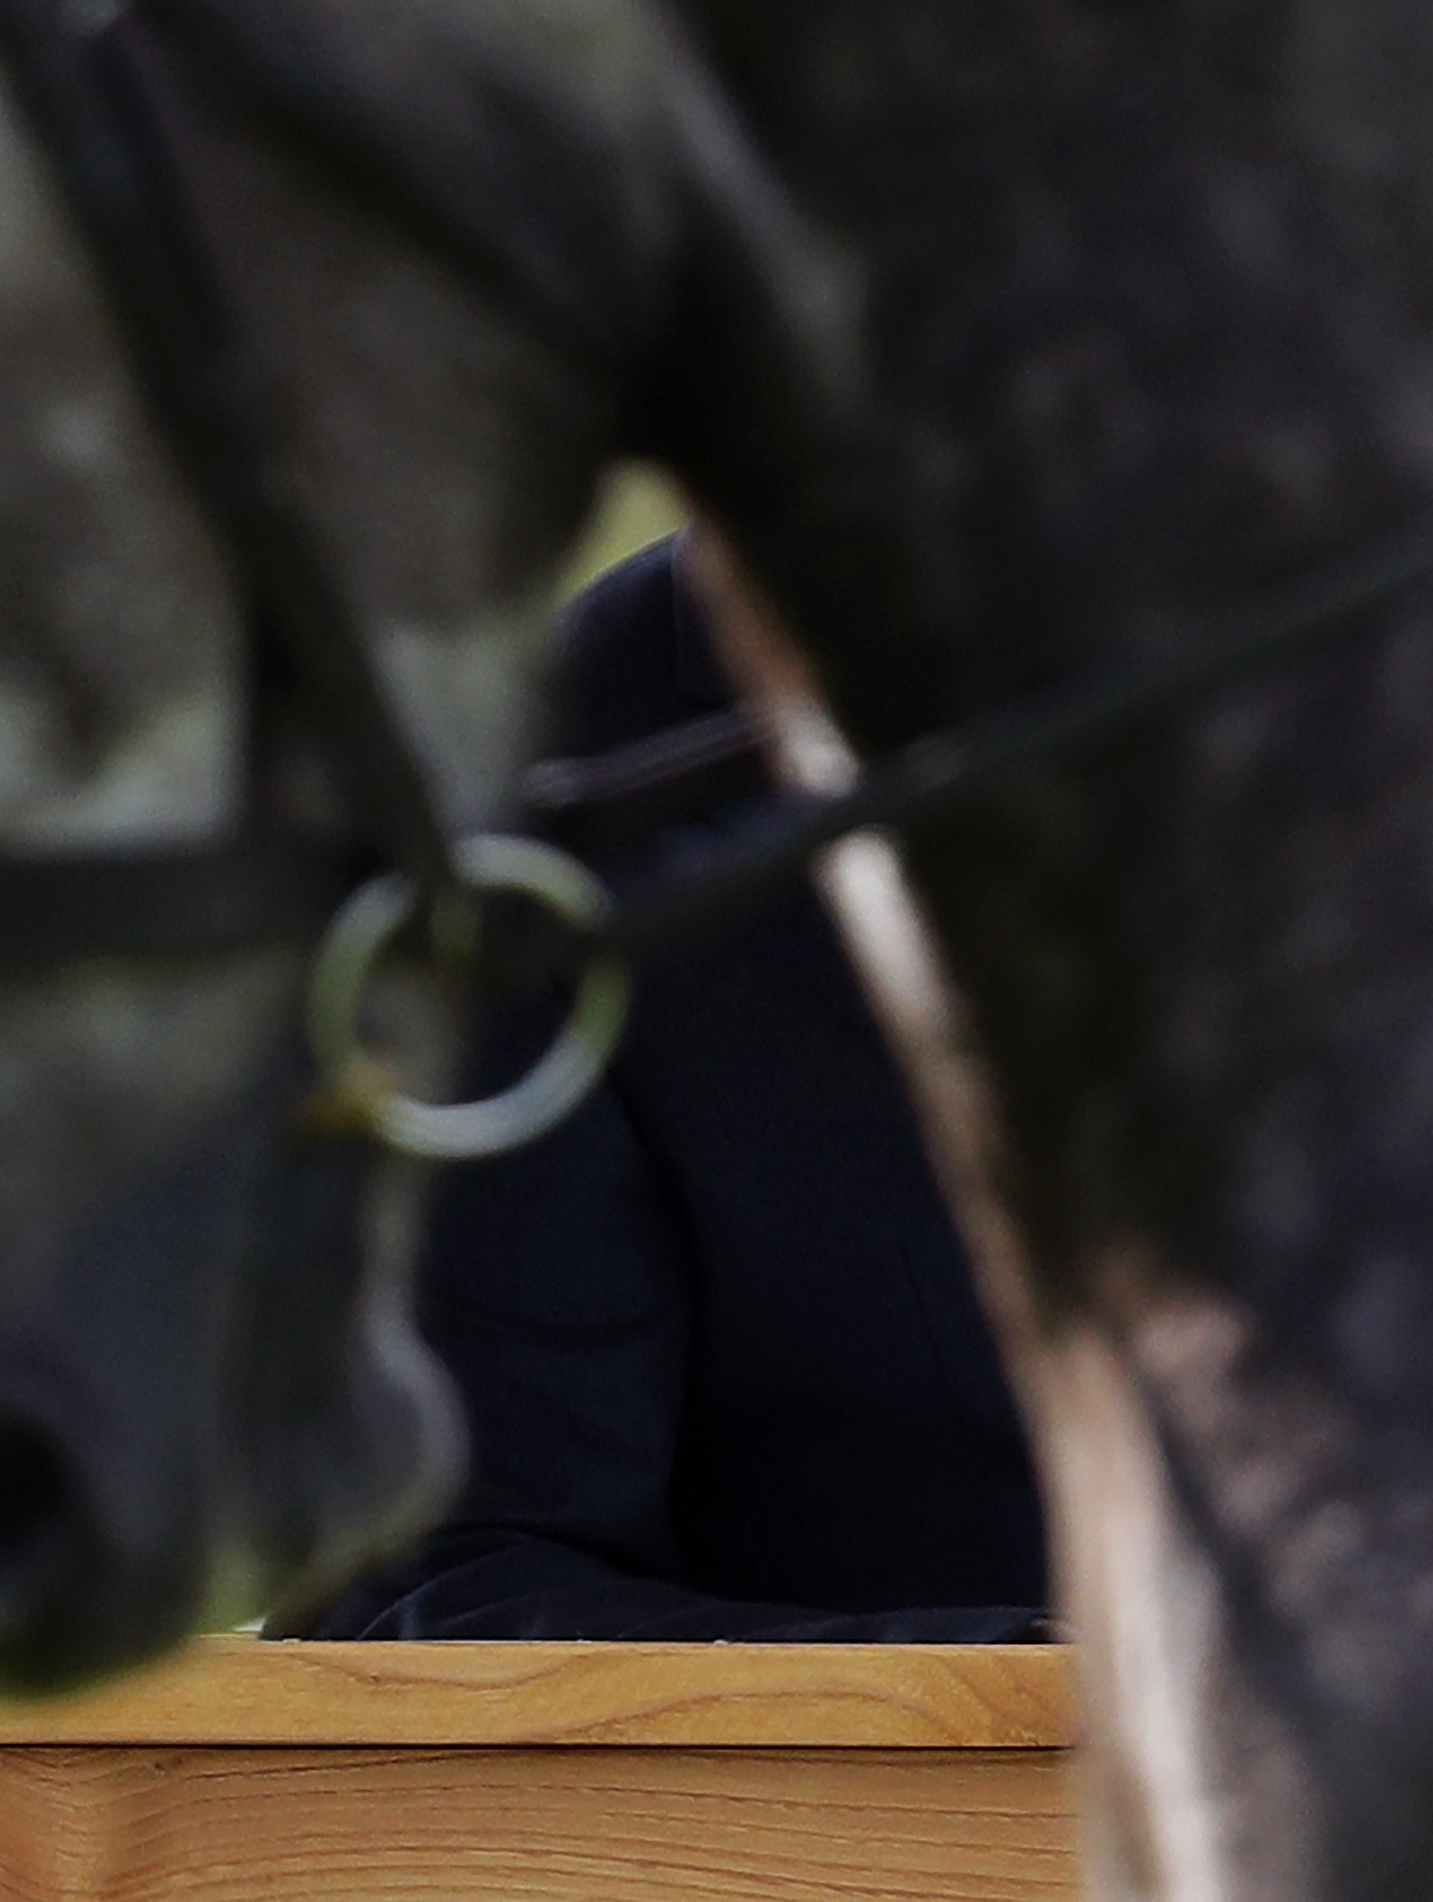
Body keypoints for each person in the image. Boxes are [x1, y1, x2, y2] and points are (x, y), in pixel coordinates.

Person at [298, 532, 1051, 1642]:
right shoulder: (524, 794)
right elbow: (429, 1599)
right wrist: (1026, 1698)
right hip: (859, 1806)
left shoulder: (1383, 645)